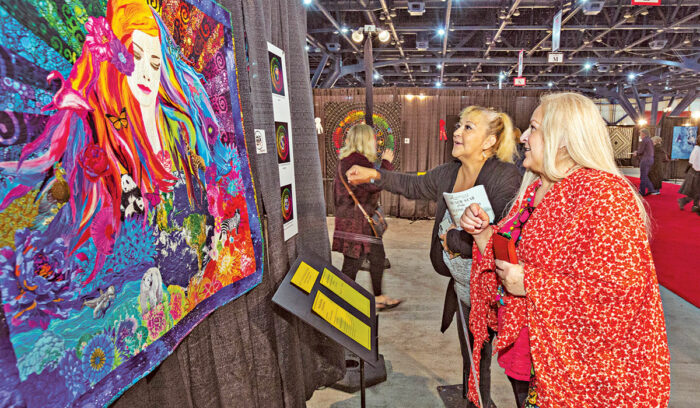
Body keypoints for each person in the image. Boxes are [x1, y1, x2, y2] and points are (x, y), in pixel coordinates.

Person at [461, 92, 670, 407]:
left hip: (582, 377)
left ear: (563, 138)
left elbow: (620, 293)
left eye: (534, 128)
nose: (524, 138)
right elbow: (513, 255)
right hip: (531, 356)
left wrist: (530, 283)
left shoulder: (605, 195)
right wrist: (482, 233)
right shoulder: (536, 188)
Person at [347, 106, 522, 408]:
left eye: (468, 127)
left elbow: (500, 238)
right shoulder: (448, 174)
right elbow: (413, 185)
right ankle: (476, 402)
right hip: (465, 290)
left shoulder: (504, 177)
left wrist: (450, 240)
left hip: (501, 294)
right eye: (459, 124)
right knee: (473, 357)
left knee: (517, 372)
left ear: (489, 141)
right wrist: (376, 175)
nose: (457, 132)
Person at [332, 124, 402, 311]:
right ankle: (339, 305)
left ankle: (378, 297)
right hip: (358, 224)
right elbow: (376, 184)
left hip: (354, 221)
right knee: (352, 263)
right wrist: (387, 163)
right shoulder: (358, 161)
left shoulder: (346, 160)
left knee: (377, 257)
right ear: (364, 140)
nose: (375, 143)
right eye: (372, 139)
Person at [633, 128, 658, 195]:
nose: (640, 135)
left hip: (645, 160)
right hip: (650, 159)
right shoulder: (650, 140)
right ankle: (651, 189)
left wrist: (636, 153)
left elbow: (641, 151)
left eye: (640, 133)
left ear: (643, 134)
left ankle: (642, 191)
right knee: (645, 176)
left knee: (643, 176)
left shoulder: (645, 140)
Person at [678, 139, 700, 214]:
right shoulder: (697, 150)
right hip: (696, 172)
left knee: (697, 190)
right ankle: (684, 201)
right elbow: (691, 161)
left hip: (696, 171)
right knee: (696, 190)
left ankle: (695, 205)